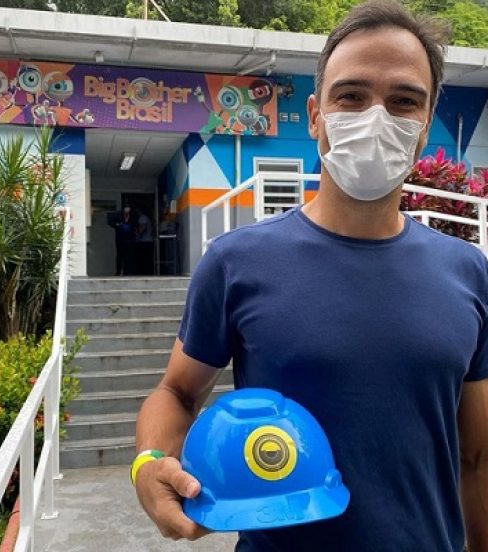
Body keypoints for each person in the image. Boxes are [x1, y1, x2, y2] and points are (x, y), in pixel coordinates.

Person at [132, 1, 488, 550]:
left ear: (424, 127)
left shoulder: (468, 272)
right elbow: (177, 391)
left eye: (403, 101)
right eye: (351, 96)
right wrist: (150, 464)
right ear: (317, 116)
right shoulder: (235, 262)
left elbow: (477, 457)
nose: (375, 117)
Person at [107, 204, 136, 276]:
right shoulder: (118, 214)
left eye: (128, 208)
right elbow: (110, 221)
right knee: (120, 255)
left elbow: (135, 224)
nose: (127, 210)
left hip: (129, 239)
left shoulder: (132, 215)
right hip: (120, 238)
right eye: (126, 208)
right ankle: (118, 272)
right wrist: (117, 225)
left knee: (128, 256)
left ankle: (127, 272)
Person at [135, 207, 154, 275]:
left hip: (144, 241)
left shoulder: (143, 218)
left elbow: (142, 228)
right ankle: (147, 273)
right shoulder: (146, 218)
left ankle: (144, 273)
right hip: (147, 241)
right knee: (147, 259)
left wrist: (137, 233)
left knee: (144, 259)